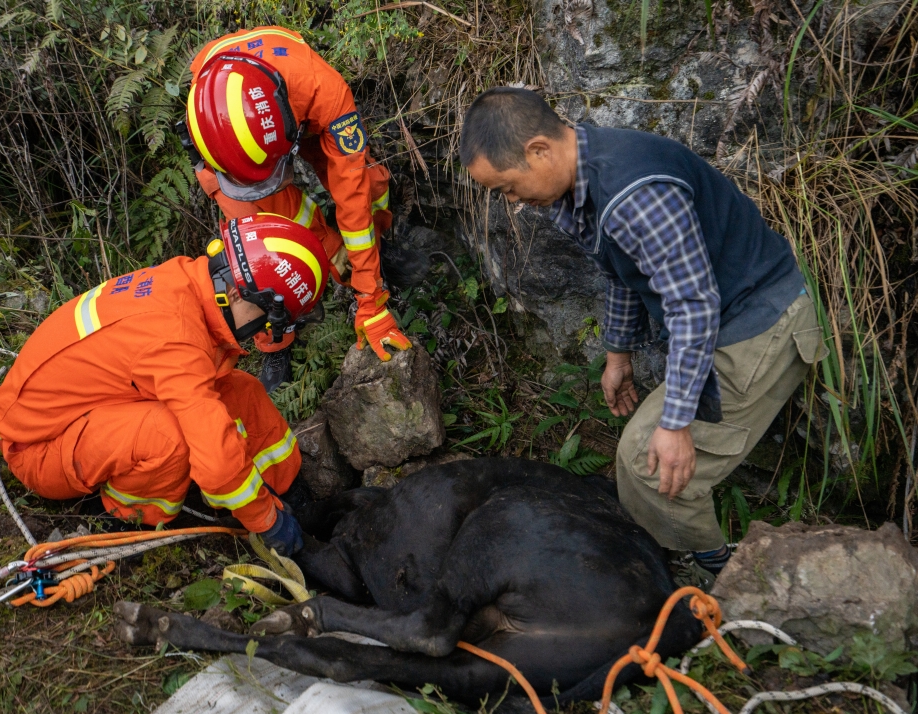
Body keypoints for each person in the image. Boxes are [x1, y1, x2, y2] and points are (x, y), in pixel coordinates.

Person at [459, 87, 826, 574]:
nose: (512, 201)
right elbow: (623, 271)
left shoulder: (633, 194)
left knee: (648, 465)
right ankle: (692, 559)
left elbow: (693, 306)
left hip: (760, 323)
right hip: (726, 318)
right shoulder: (585, 179)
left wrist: (675, 426)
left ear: (539, 151)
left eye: (505, 186)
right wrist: (618, 355)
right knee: (643, 456)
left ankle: (723, 579)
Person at [0, 214, 333, 555]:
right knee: (169, 437)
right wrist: (265, 521)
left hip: (78, 411)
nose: (265, 332)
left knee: (244, 391)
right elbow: (217, 462)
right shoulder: (177, 339)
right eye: (269, 319)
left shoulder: (187, 282)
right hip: (34, 448)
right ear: (241, 294)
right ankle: (129, 520)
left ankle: (290, 491)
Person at [182, 25, 412, 391]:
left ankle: (377, 252)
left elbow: (350, 195)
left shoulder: (327, 95)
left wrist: (370, 297)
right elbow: (217, 184)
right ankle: (275, 343)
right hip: (241, 154)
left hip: (304, 112)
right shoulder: (210, 115)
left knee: (367, 188)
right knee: (256, 250)